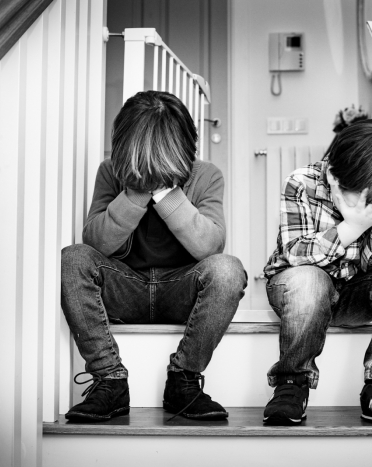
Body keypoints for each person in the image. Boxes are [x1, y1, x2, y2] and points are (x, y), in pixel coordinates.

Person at [61, 90, 247, 422]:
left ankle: (184, 380)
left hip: (181, 290)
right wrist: (134, 191)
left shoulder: (206, 175)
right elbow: (96, 242)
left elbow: (210, 246)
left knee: (228, 270)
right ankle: (109, 380)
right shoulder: (110, 172)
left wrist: (164, 193)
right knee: (73, 259)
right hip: (125, 289)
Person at [262, 119, 372, 426]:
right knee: (310, 280)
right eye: (369, 204)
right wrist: (351, 228)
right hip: (298, 291)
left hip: (349, 294)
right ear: (338, 178)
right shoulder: (302, 182)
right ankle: (292, 383)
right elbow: (295, 253)